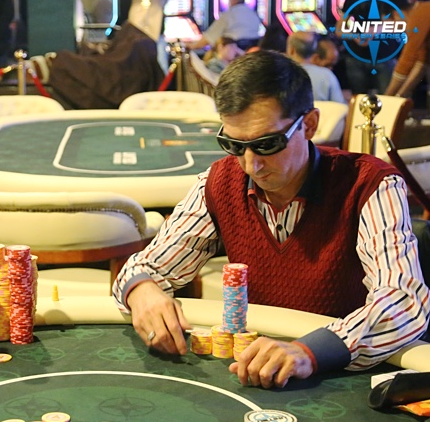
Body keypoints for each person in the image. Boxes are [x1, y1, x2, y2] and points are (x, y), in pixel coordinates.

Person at [113, 50, 428, 389]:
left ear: (309, 125)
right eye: (234, 145)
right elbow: (145, 267)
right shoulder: (220, 182)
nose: (251, 165)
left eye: (268, 144)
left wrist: (309, 351)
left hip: (344, 377)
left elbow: (404, 302)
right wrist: (142, 289)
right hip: (260, 372)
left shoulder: (371, 184)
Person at [335, 0, 408, 95]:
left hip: (386, 57)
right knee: (359, 100)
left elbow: (405, 24)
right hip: (356, 57)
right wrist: (355, 36)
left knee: (387, 100)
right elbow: (338, 30)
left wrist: (377, 29)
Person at [188, 0, 262, 51]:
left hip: (232, 56)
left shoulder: (228, 15)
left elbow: (209, 39)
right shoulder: (254, 14)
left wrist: (190, 46)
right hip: (252, 55)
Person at [384, 0, 429, 97]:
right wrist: (400, 95)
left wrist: (387, 97)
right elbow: (421, 61)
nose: (390, 31)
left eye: (388, 24)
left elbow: (408, 59)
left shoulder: (419, 15)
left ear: (396, 14)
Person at [286, 31, 346, 103]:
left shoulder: (280, 73)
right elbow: (339, 106)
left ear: (291, 50)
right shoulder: (327, 76)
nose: (331, 68)